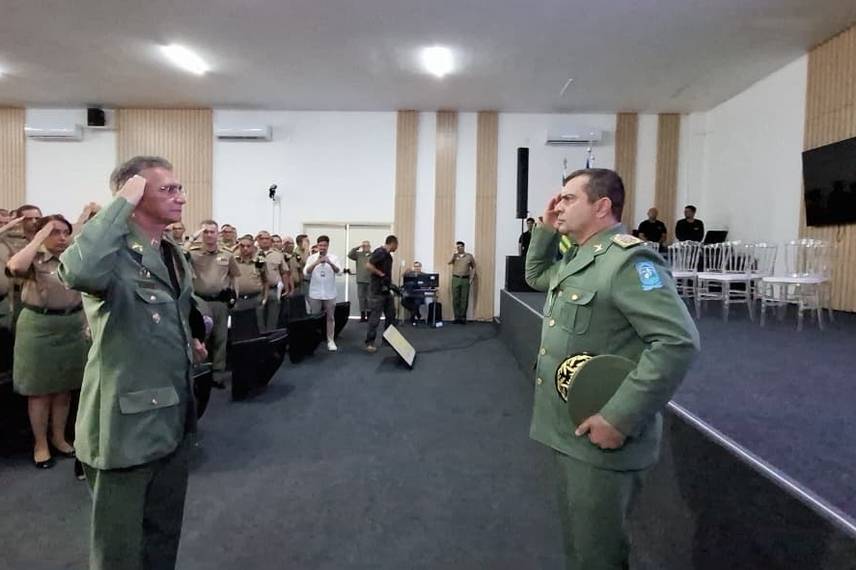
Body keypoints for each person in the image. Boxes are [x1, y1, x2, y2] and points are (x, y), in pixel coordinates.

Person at [525, 168, 699, 569]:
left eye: (569, 197)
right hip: (571, 430)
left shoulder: (628, 261)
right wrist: (548, 231)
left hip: (601, 434)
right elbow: (535, 276)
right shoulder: (580, 257)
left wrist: (619, 418)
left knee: (598, 557)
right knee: (581, 547)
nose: (558, 204)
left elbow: (677, 342)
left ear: (602, 206)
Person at [58, 156, 208, 570]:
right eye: (169, 189)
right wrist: (118, 204)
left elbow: (169, 315)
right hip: (125, 427)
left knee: (162, 538)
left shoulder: (171, 252)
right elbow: (79, 271)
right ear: (135, 195)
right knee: (120, 550)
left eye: (180, 188)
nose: (182, 197)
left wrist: (189, 342)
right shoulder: (110, 253)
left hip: (173, 416)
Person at [7, 215, 88, 469]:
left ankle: (59, 437)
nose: (62, 237)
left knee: (64, 388)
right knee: (40, 390)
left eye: (65, 232)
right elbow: (15, 267)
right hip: (39, 328)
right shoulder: (33, 258)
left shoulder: (74, 257)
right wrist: (40, 237)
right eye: (55, 232)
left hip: (71, 326)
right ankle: (40, 444)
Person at [188, 220, 240, 384]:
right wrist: (192, 238)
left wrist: (235, 296)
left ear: (217, 234)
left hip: (220, 302)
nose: (209, 235)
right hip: (199, 303)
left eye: (212, 232)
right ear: (200, 234)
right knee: (200, 338)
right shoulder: (193, 253)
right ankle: (200, 374)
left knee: (220, 339)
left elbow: (234, 276)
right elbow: (178, 253)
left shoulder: (226, 254)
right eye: (205, 232)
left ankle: (218, 376)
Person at [304, 235, 341, 351]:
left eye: (324, 245)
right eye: (320, 245)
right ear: (317, 245)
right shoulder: (312, 258)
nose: (322, 248)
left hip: (330, 293)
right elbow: (306, 272)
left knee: (330, 317)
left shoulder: (334, 258)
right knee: (314, 318)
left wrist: (329, 262)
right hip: (315, 293)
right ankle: (314, 340)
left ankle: (330, 340)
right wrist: (316, 262)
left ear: (328, 246)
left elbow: (339, 272)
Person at [364, 235, 399, 352]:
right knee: (375, 318)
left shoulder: (389, 256)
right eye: (397, 245)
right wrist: (380, 274)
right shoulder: (380, 252)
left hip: (386, 290)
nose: (397, 247)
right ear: (392, 243)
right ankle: (370, 342)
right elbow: (368, 265)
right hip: (376, 291)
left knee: (391, 316)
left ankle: (388, 339)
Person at [256, 230, 292, 331]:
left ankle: (271, 337)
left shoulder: (277, 254)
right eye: (262, 238)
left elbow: (284, 272)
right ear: (258, 240)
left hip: (274, 290)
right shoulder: (253, 253)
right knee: (259, 318)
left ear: (270, 240)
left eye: (267, 238)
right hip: (259, 291)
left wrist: (286, 288)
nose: (264, 241)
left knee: (273, 317)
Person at [233, 234, 268, 332]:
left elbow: (265, 280)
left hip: (255, 299)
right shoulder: (233, 261)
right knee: (239, 330)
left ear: (253, 247)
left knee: (258, 329)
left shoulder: (259, 262)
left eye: (248, 246)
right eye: (242, 246)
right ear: (238, 246)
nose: (245, 248)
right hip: (238, 300)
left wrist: (264, 299)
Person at [448, 241, 476, 324]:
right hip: (456, 278)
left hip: (465, 279)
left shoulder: (469, 256)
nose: (458, 248)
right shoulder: (455, 256)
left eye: (460, 247)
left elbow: (474, 267)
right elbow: (449, 262)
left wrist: (471, 278)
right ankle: (457, 317)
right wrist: (453, 255)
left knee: (464, 298)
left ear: (463, 247)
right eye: (457, 247)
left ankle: (463, 317)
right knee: (455, 298)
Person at [347, 240, 373, 322]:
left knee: (369, 299)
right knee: (361, 298)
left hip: (370, 280)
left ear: (370, 247)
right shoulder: (358, 255)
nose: (366, 247)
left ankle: (369, 316)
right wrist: (358, 247)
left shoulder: (373, 255)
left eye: (367, 246)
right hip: (361, 280)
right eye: (364, 246)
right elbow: (350, 255)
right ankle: (362, 316)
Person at [401, 261, 428, 325]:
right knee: (403, 301)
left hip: (419, 295)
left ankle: (412, 318)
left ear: (420, 267)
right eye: (415, 266)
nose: (417, 268)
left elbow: (428, 284)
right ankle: (417, 313)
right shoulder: (410, 274)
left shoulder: (424, 275)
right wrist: (406, 271)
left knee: (417, 302)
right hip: (410, 295)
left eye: (418, 266)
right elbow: (403, 276)